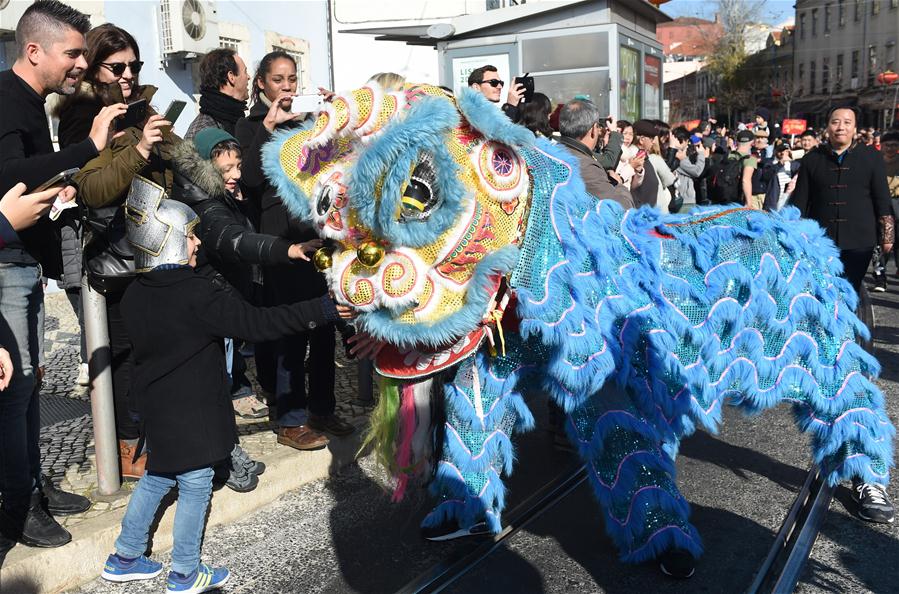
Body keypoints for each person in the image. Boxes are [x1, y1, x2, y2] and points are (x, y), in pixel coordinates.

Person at [99, 179, 353, 591]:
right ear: (168, 242)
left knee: (158, 477)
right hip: (195, 410)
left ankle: (124, 555)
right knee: (197, 481)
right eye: (190, 236)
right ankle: (184, 572)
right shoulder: (199, 294)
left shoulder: (133, 296)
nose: (197, 243)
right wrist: (322, 309)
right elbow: (260, 323)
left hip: (156, 410)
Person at [0, 0, 127, 549]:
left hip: (23, 263)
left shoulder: (30, 102)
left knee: (29, 391)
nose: (81, 64)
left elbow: (29, 182)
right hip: (5, 266)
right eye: (72, 53)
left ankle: (31, 488)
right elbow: (7, 179)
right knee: (16, 388)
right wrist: (87, 148)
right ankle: (18, 505)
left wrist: (64, 181)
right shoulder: (7, 99)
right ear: (34, 51)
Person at [65, 22, 178, 481]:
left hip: (150, 248)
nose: (128, 74)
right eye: (117, 67)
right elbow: (95, 190)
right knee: (122, 352)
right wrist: (141, 148)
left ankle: (151, 437)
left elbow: (167, 178)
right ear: (94, 70)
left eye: (135, 65)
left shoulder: (140, 108)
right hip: (106, 255)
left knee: (154, 347)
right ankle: (124, 449)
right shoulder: (81, 117)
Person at [234, 51, 355, 450]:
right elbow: (249, 180)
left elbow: (338, 165)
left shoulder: (308, 124)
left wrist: (335, 116)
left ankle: (322, 408)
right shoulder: (250, 125)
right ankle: (289, 417)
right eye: (278, 80)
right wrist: (269, 127)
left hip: (318, 234)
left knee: (323, 331)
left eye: (292, 79)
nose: (286, 87)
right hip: (280, 244)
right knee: (288, 333)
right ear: (262, 86)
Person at [790, 106, 895, 524]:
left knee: (852, 310)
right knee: (824, 312)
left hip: (856, 247)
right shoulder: (812, 160)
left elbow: (883, 203)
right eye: (835, 122)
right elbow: (798, 205)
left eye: (847, 123)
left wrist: (886, 246)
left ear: (855, 129)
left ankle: (848, 347)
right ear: (826, 127)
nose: (840, 128)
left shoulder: (870, 158)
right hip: (821, 248)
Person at [555, 99, 633, 209]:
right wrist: (619, 185)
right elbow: (622, 209)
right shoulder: (586, 166)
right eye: (597, 126)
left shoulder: (553, 151)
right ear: (593, 130)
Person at [184, 48, 249, 140]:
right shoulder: (203, 132)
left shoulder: (237, 120)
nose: (248, 77)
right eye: (245, 72)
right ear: (231, 77)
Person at [870, 130, 899, 292]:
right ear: (881, 146)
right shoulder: (875, 162)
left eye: (894, 145)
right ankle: (880, 277)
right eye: (887, 145)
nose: (890, 148)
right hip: (880, 207)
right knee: (881, 244)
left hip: (897, 204)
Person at [630, 119, 676, 212]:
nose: (654, 142)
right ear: (642, 140)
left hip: (651, 217)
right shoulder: (633, 157)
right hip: (641, 218)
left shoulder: (645, 157)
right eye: (651, 139)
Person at [670, 127, 706, 211]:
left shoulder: (674, 155)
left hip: (684, 199)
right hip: (684, 201)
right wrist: (701, 154)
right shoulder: (679, 157)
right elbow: (697, 171)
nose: (687, 144)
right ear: (682, 140)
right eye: (687, 141)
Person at [762, 144, 799, 211]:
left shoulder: (795, 164)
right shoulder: (770, 162)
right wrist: (781, 162)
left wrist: (793, 157)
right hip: (773, 201)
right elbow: (766, 176)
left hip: (787, 200)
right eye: (780, 150)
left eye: (786, 151)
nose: (783, 153)